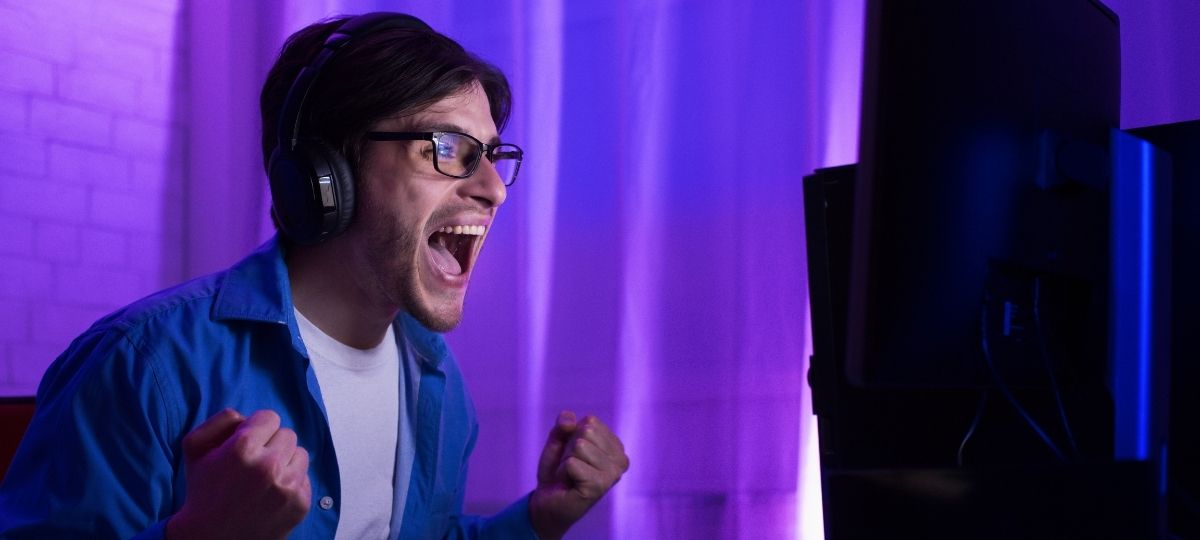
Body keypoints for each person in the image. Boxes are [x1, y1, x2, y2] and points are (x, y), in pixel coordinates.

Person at [0, 12, 628, 540]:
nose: (493, 188)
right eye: (447, 148)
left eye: (492, 156)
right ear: (328, 176)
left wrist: (540, 518)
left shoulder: (435, 379)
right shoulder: (142, 365)